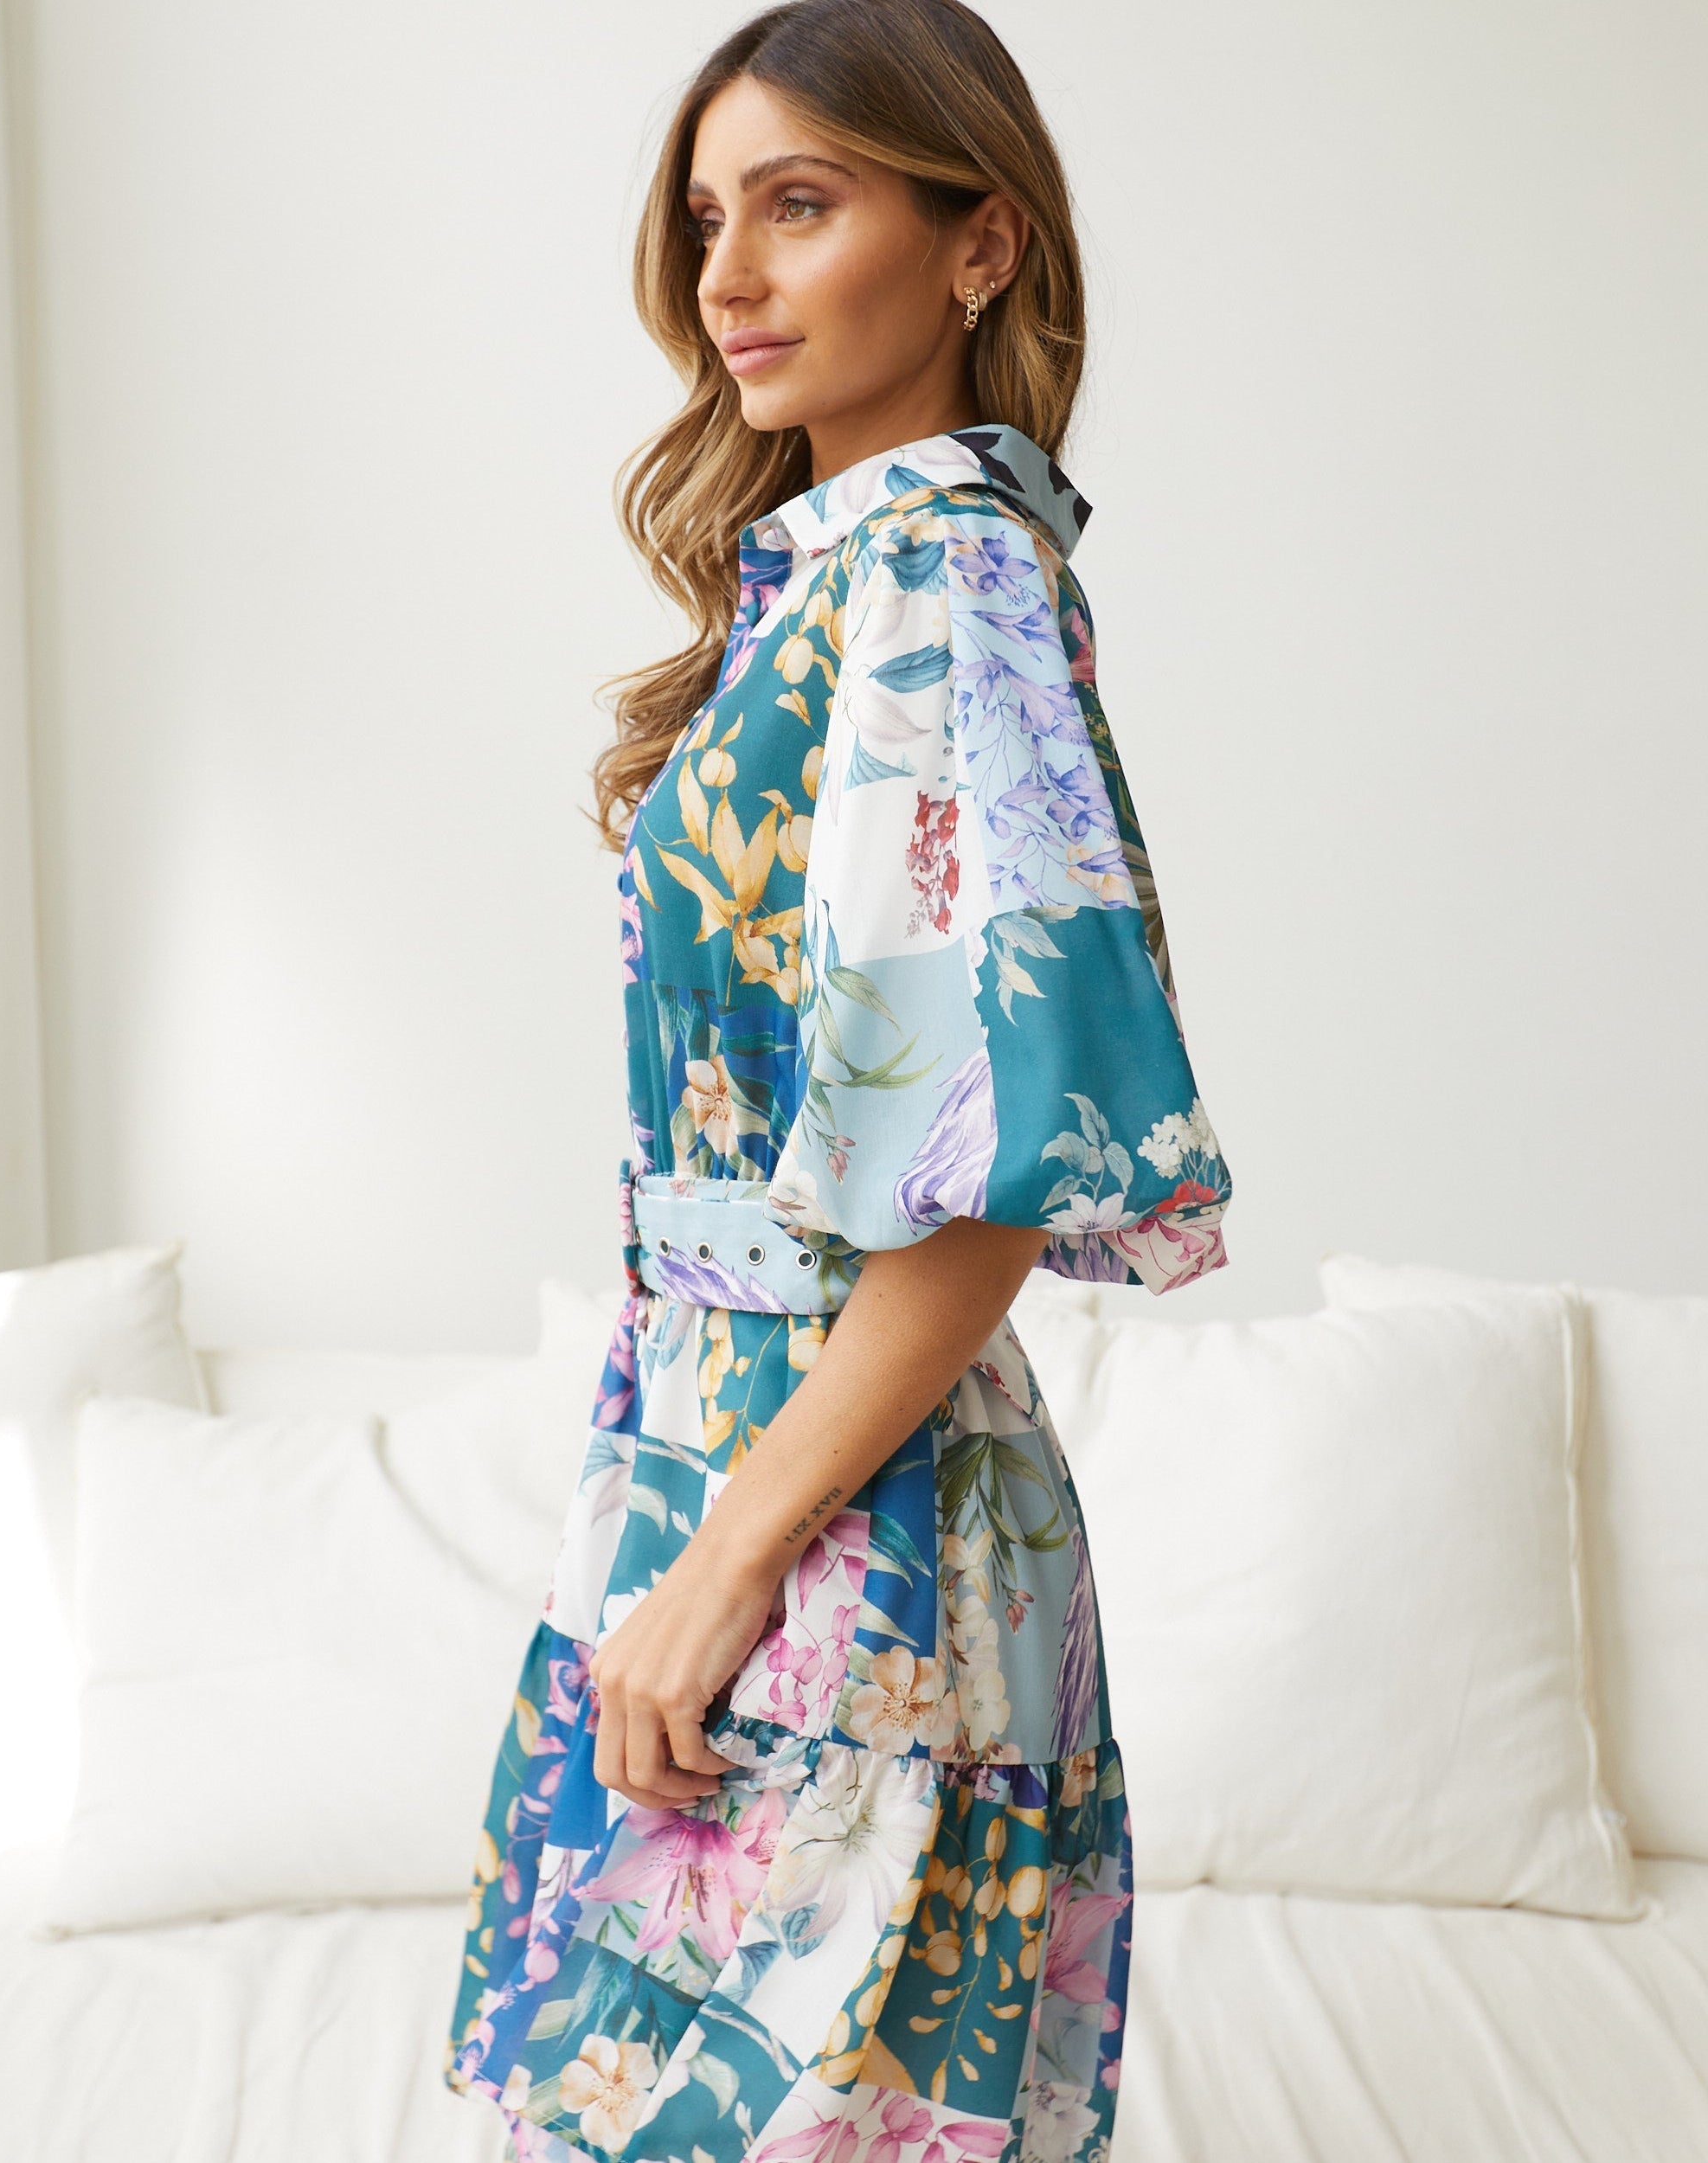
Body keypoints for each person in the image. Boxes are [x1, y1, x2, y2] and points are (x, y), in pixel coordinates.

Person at [446, 4, 1231, 2159]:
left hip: (827, 1543)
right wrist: (670, 1549)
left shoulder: (939, 578)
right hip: (720, 1478)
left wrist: (714, 1573)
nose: (727, 278)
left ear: (979, 245)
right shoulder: (828, 580)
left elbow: (972, 1188)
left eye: (800, 204)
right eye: (710, 218)